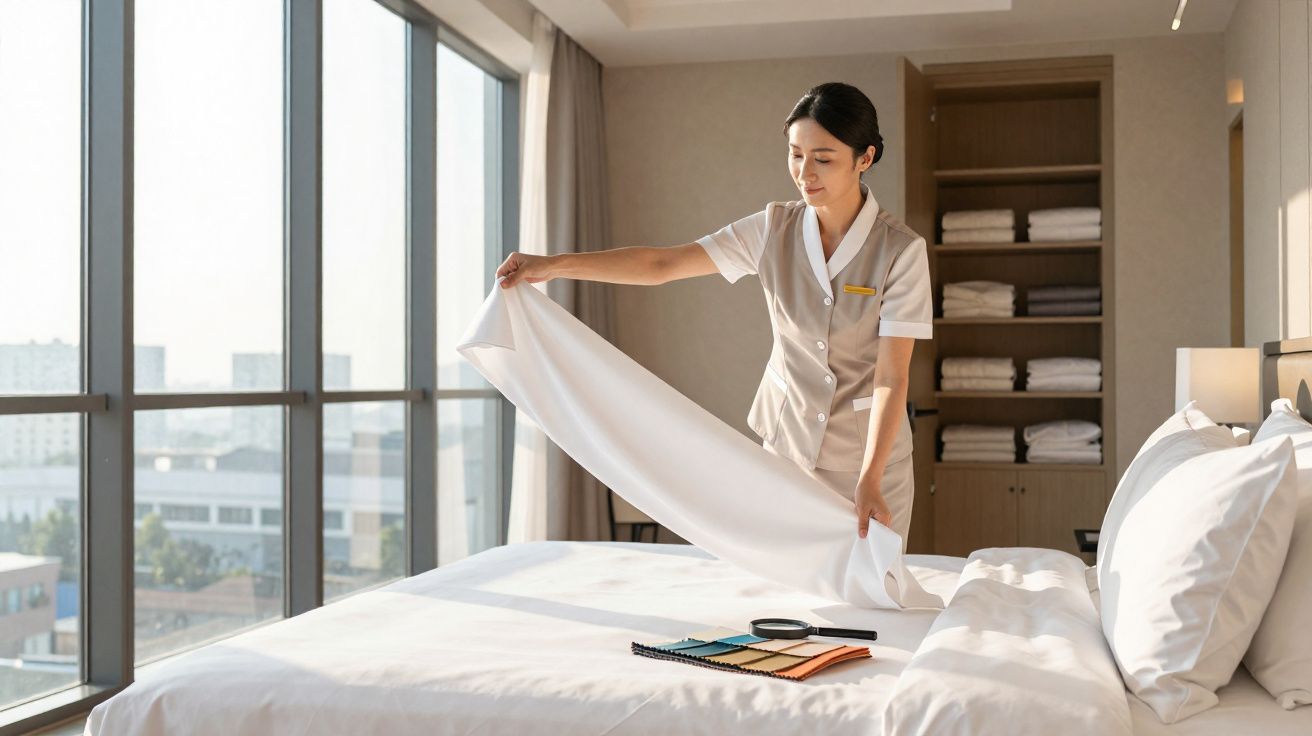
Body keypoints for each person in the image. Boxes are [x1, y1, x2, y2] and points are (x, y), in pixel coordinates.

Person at [495, 82, 932, 549]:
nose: (805, 173)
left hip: (868, 462)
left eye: (823, 158)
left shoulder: (900, 251)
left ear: (864, 159)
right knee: (783, 598)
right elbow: (664, 264)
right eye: (795, 154)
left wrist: (870, 476)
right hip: (785, 452)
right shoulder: (772, 229)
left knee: (870, 598)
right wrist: (553, 265)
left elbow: (891, 376)